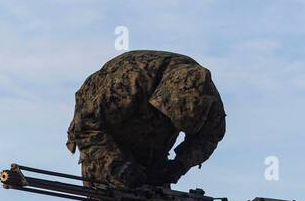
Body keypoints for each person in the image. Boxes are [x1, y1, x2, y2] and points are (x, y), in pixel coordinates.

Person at [66, 50, 227, 188]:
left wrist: (180, 165)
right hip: (105, 129)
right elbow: (86, 127)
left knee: (156, 197)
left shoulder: (207, 94)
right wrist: (117, 165)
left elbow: (209, 137)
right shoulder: (126, 83)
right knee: (114, 193)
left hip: (152, 137)